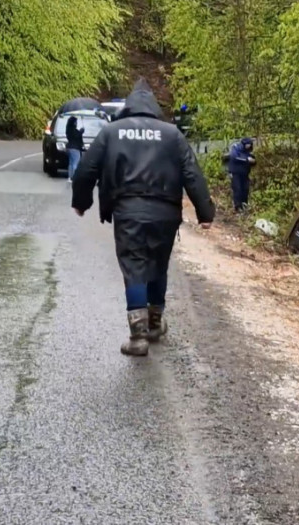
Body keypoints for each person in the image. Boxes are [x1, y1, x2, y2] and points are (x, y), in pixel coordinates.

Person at [71, 78, 215, 357]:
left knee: (134, 265)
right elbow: (192, 174)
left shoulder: (112, 133)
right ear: (154, 107)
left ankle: (138, 338)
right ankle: (155, 323)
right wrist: (205, 213)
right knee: (158, 265)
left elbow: (87, 170)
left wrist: (81, 202)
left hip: (128, 211)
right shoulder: (172, 134)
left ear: (129, 106)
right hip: (165, 212)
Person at [226, 137, 256, 212]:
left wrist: (253, 161)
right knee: (237, 189)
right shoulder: (236, 149)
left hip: (245, 173)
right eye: (248, 145)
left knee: (245, 189)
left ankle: (244, 205)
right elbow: (235, 158)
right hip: (235, 173)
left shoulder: (249, 151)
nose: (249, 146)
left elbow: (253, 160)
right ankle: (237, 206)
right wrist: (246, 160)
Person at [65, 115, 84, 183]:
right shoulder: (73, 130)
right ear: (73, 122)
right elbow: (76, 136)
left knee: (71, 163)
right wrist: (81, 131)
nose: (76, 123)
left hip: (69, 147)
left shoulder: (68, 129)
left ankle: (70, 177)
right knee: (75, 163)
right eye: (76, 122)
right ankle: (74, 177)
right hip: (75, 148)